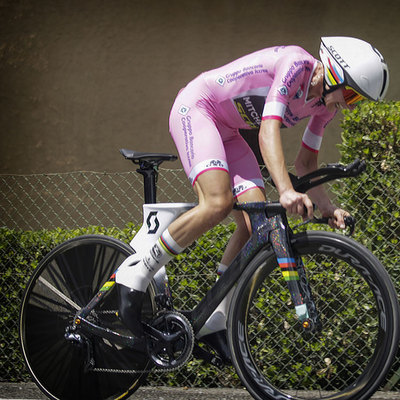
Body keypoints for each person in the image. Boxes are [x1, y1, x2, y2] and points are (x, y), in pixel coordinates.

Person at [115, 36, 389, 361]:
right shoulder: (295, 65)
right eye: (352, 94)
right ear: (334, 73)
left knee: (254, 225)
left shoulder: (322, 107)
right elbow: (267, 130)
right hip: (199, 109)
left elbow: (306, 163)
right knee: (217, 202)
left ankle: (216, 316)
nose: (350, 105)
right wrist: (286, 190)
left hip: (228, 130)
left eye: (358, 100)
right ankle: (137, 271)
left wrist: (328, 207)